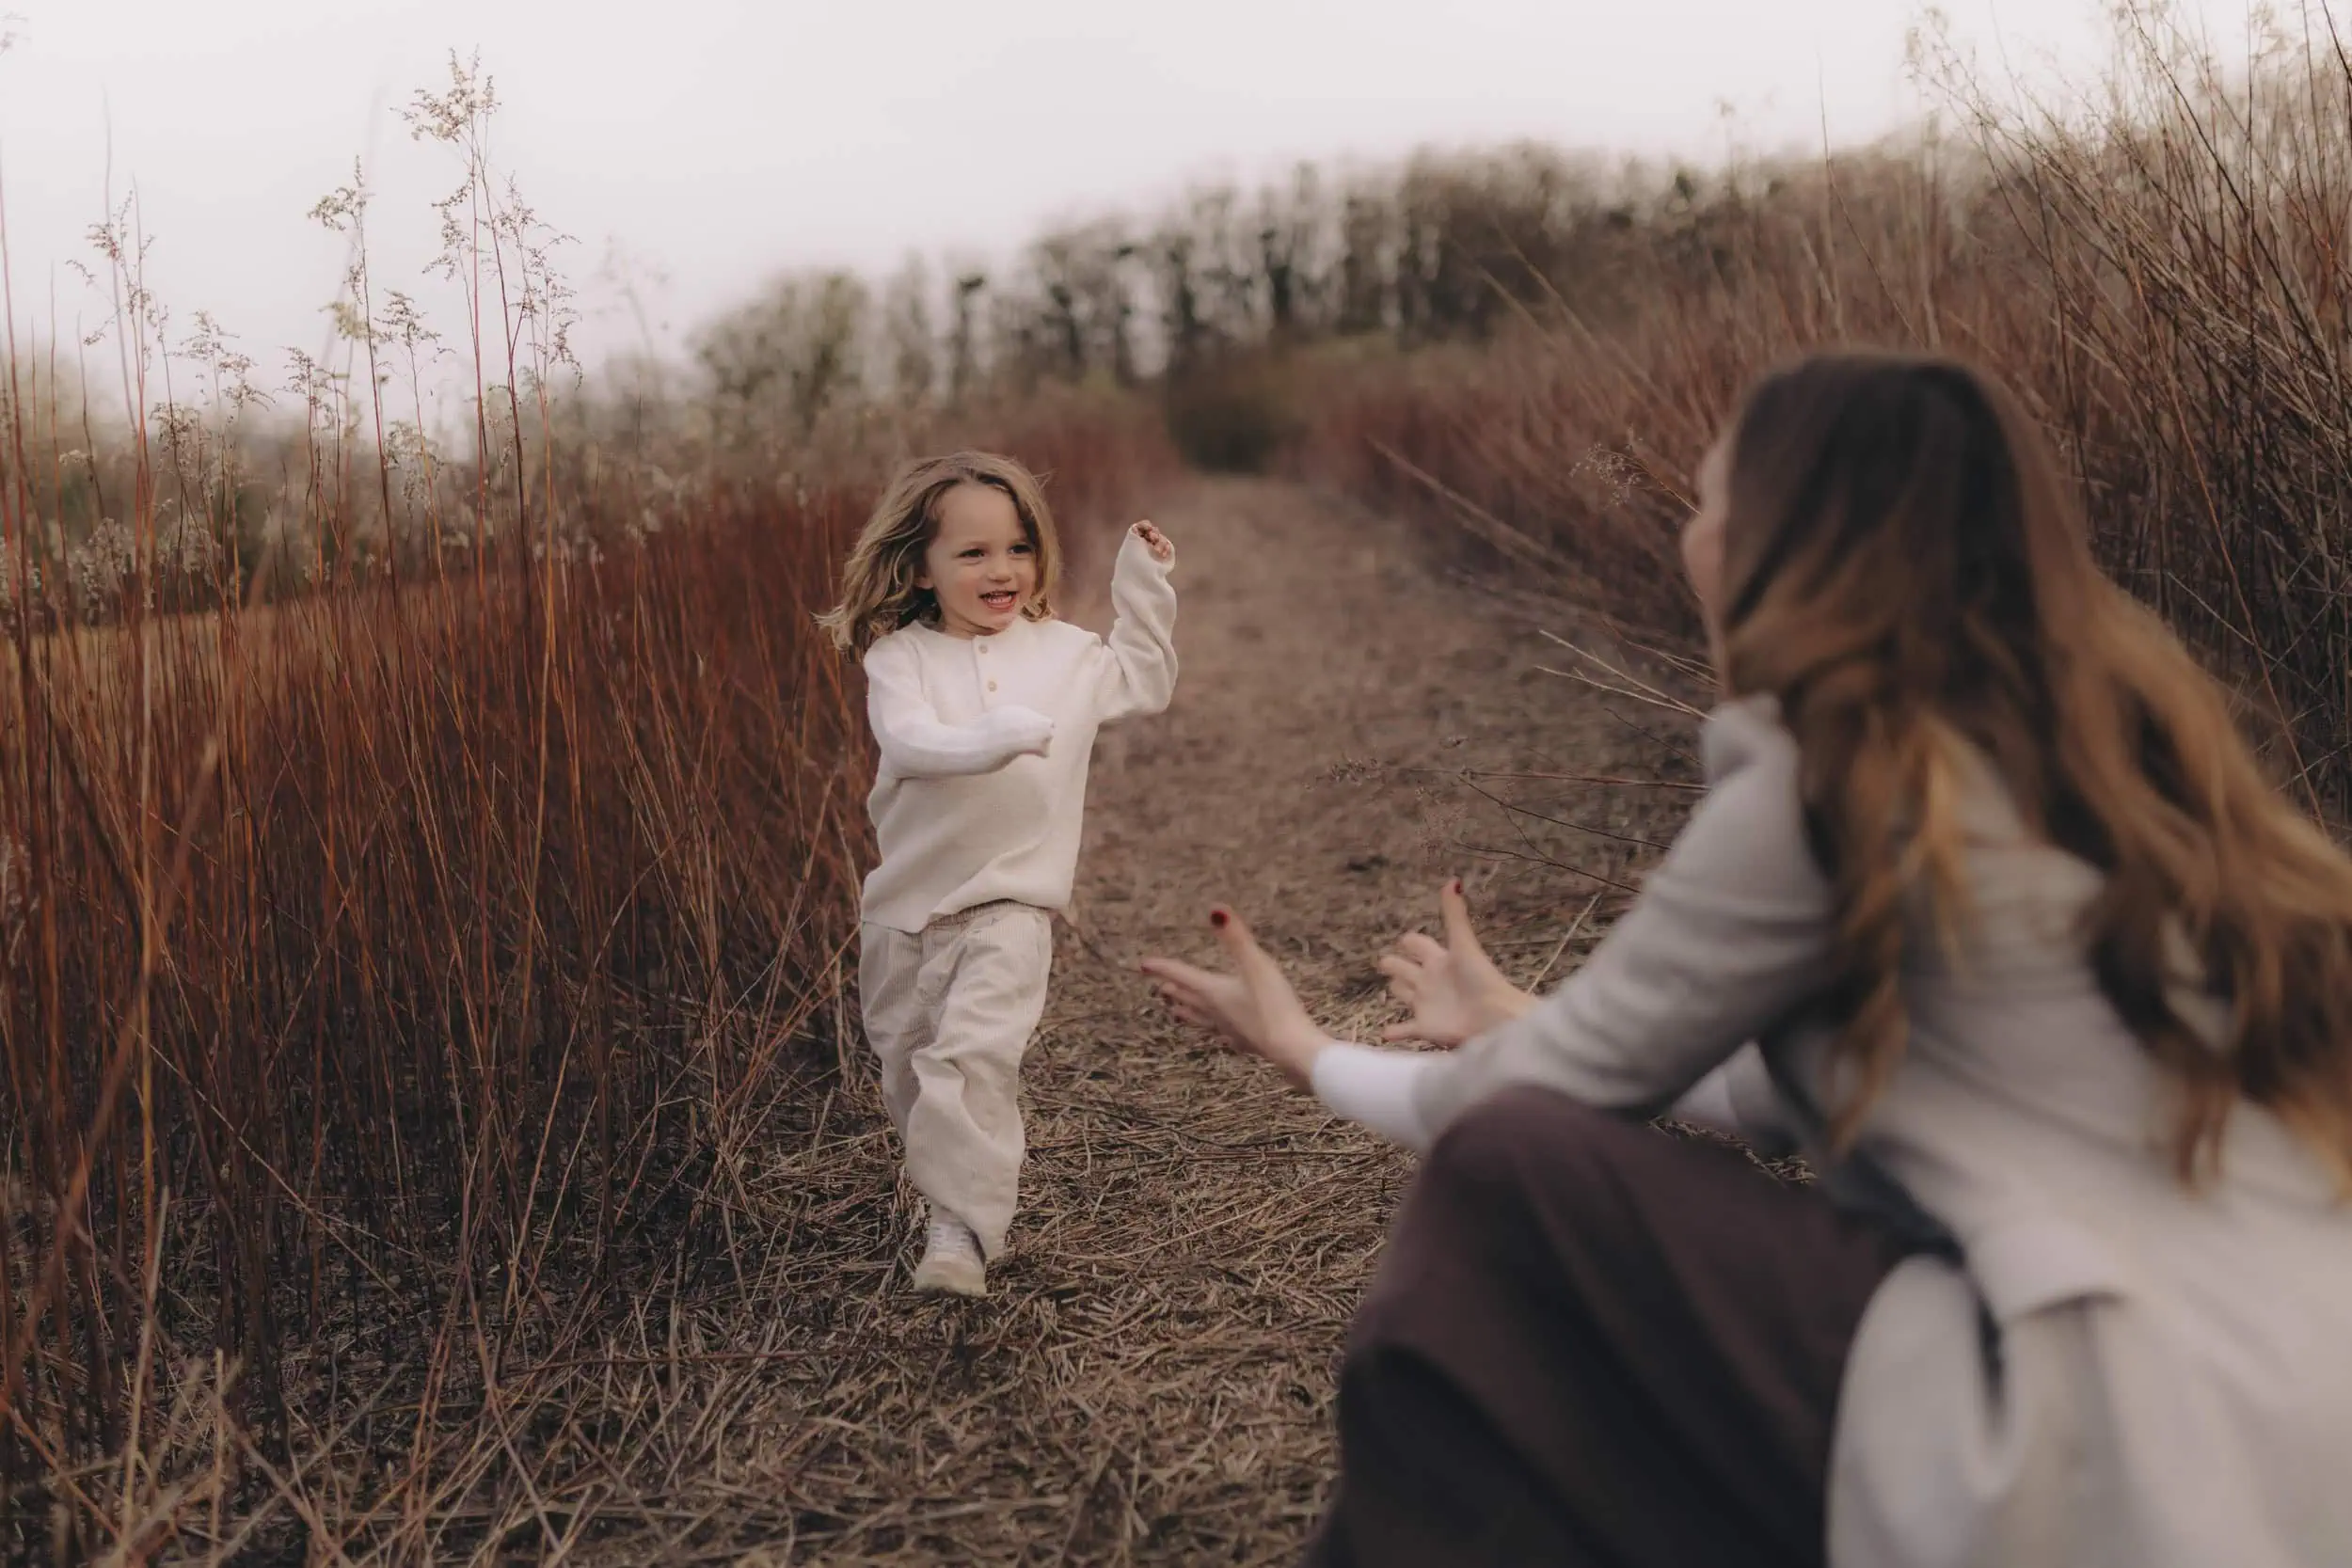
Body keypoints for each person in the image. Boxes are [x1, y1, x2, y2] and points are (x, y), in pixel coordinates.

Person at [1143, 352, 2352, 1566]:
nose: (1694, 534)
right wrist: (1528, 1013)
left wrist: (1304, 1048)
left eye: (1710, 502)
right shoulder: (2097, 758)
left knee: (1513, 1168)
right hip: (2294, 1409)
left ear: (1784, 538)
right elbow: (1827, 1082)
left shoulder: (1840, 773)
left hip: (2112, 1429)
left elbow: (1520, 1106)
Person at [821, 451, 1177, 1296]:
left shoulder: (1067, 656)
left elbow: (1146, 681)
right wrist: (995, 735)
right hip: (903, 911)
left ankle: (960, 1234)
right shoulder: (899, 659)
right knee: (910, 1072)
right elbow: (909, 740)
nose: (1002, 570)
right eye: (973, 552)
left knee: (975, 1058)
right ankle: (946, 1190)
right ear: (921, 565)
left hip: (1011, 899)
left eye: (1018, 548)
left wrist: (1145, 581)